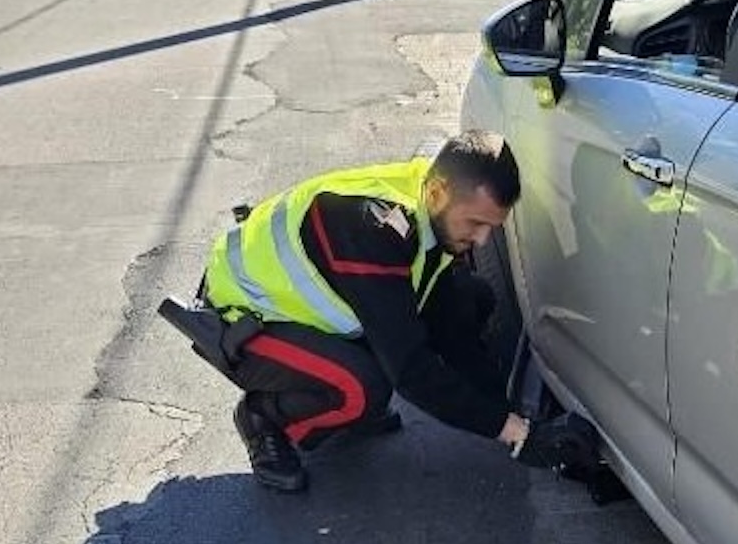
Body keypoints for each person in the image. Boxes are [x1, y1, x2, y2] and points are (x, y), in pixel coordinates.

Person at [182, 130, 597, 492]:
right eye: (475, 224)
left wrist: (514, 418)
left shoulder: (431, 204)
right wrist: (516, 434)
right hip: (243, 319)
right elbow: (412, 371)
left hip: (300, 310)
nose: (484, 240)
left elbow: (453, 331)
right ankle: (264, 419)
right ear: (437, 194)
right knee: (363, 389)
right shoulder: (373, 227)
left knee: (472, 298)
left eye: (493, 226)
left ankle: (335, 403)